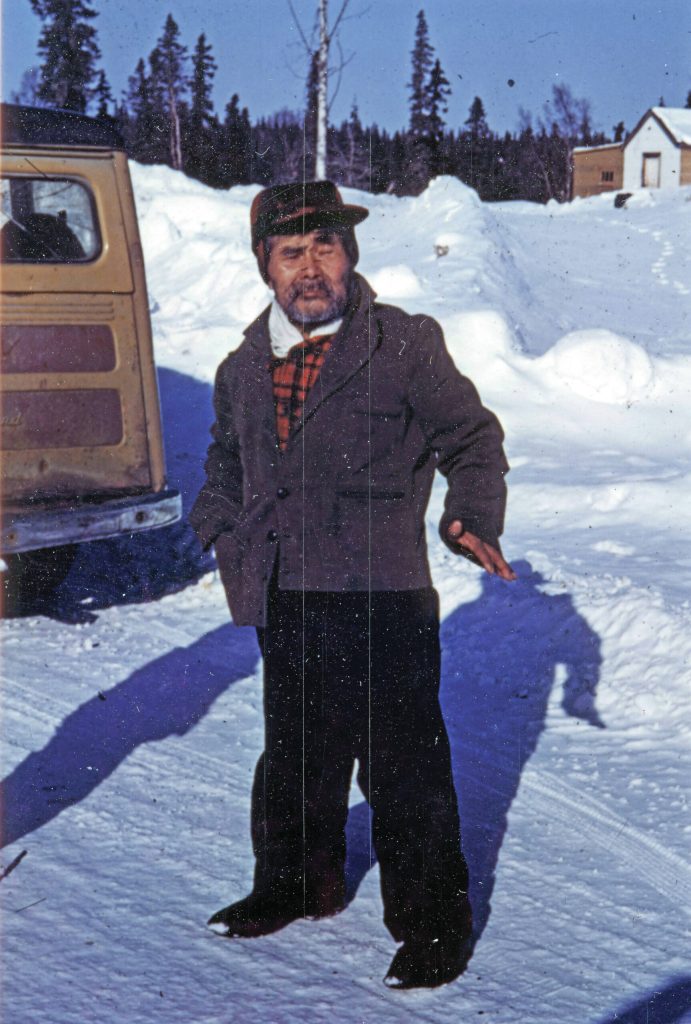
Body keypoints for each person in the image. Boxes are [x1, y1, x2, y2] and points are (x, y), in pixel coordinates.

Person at [190, 181, 515, 989]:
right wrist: (216, 521)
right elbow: (227, 457)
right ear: (265, 265)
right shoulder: (241, 365)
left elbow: (470, 437)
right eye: (291, 252)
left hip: (383, 593)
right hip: (286, 588)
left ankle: (434, 924)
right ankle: (297, 883)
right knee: (296, 753)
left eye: (325, 248)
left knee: (403, 767)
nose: (310, 269)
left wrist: (470, 513)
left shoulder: (400, 345)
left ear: (351, 256)